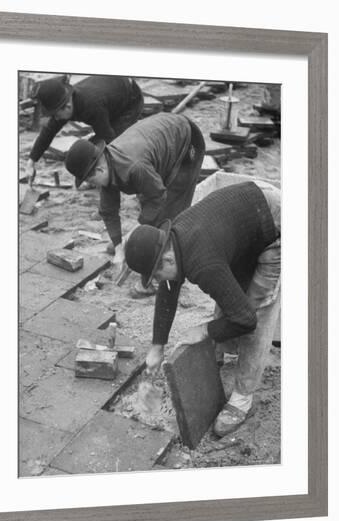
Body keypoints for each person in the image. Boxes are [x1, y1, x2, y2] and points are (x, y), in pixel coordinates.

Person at [124, 176, 281, 436]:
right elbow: (168, 288)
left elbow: (246, 320)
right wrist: (157, 345)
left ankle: (242, 398)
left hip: (273, 222)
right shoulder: (173, 242)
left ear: (168, 258)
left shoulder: (202, 262)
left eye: (156, 274)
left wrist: (204, 331)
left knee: (256, 311)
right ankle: (221, 350)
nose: (158, 282)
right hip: (243, 216)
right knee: (229, 296)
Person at [64, 112, 206, 294]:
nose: (92, 186)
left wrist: (135, 233)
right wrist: (119, 248)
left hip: (186, 141)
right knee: (148, 201)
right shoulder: (106, 162)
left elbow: (157, 198)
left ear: (99, 169)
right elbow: (108, 211)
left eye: (91, 181)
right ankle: (134, 249)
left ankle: (153, 279)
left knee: (169, 212)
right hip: (160, 145)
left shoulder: (134, 167)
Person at [24, 75, 144, 181]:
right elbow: (48, 132)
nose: (56, 118)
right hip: (110, 98)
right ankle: (94, 176)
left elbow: (108, 140)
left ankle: (115, 177)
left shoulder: (91, 105)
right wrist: (31, 161)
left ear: (68, 106)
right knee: (92, 148)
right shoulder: (64, 102)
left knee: (105, 146)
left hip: (130, 101)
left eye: (56, 114)